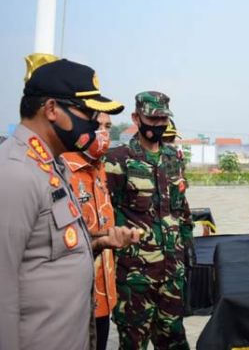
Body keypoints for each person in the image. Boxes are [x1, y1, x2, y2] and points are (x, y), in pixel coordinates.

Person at [0, 57, 136, 350]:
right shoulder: (15, 173)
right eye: (87, 112)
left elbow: (45, 248)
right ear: (51, 109)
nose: (93, 124)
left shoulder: (52, 166)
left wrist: (97, 243)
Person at [105, 91, 194, 350]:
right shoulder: (116, 160)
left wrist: (187, 246)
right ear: (136, 117)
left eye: (162, 119)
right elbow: (107, 216)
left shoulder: (174, 158)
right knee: (133, 343)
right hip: (135, 277)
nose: (157, 125)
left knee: (175, 341)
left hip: (172, 272)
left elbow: (182, 207)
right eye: (151, 119)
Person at [62, 112, 121, 350]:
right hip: (73, 298)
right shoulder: (62, 169)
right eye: (98, 125)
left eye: (108, 126)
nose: (104, 133)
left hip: (103, 292)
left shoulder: (100, 168)